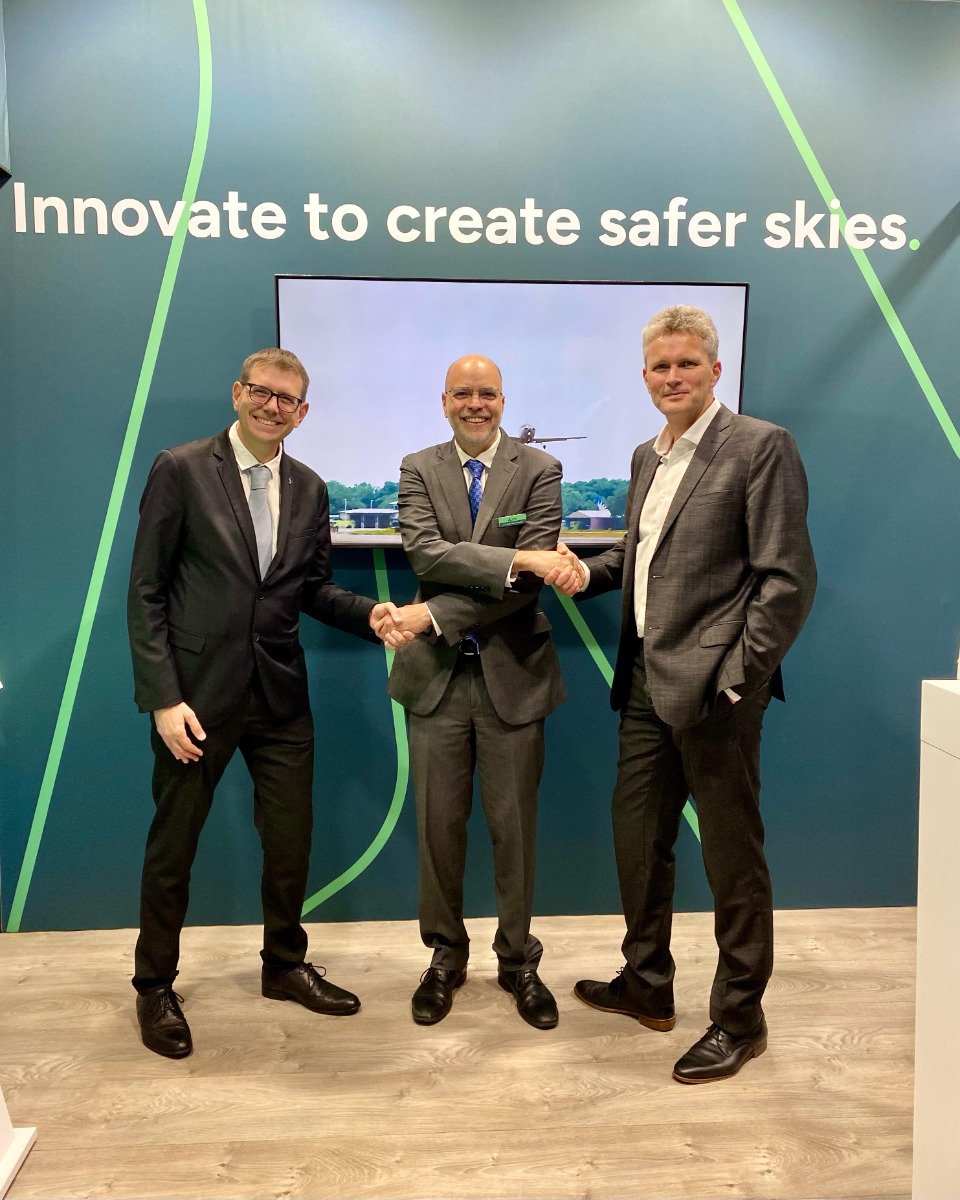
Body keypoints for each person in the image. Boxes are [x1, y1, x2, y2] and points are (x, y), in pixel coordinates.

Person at [127, 347, 408, 1059]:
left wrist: (370, 613)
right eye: (261, 392)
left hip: (280, 694)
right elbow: (146, 590)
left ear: (302, 412)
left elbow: (310, 588)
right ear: (238, 392)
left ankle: (283, 965)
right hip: (196, 700)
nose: (272, 406)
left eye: (287, 399)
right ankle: (154, 984)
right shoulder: (180, 468)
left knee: (289, 843)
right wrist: (163, 697)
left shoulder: (310, 487)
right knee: (174, 847)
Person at [570, 305, 816, 1083]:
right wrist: (582, 570)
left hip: (717, 691)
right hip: (645, 680)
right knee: (638, 840)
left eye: (685, 364)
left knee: (732, 858)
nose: (672, 377)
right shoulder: (647, 456)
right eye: (659, 366)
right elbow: (640, 555)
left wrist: (739, 679)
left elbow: (786, 580)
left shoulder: (760, 445)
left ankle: (740, 1019)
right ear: (644, 376)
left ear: (715, 369)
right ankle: (647, 984)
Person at [384, 354, 582, 1029]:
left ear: (503, 400)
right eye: (463, 393)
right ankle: (445, 958)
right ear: (444, 401)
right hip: (435, 682)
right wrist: (518, 555)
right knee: (437, 830)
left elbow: (527, 585)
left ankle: (518, 960)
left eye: (487, 393)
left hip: (513, 679)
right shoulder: (418, 467)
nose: (476, 404)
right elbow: (425, 554)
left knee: (514, 831)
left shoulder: (541, 469)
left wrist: (434, 613)